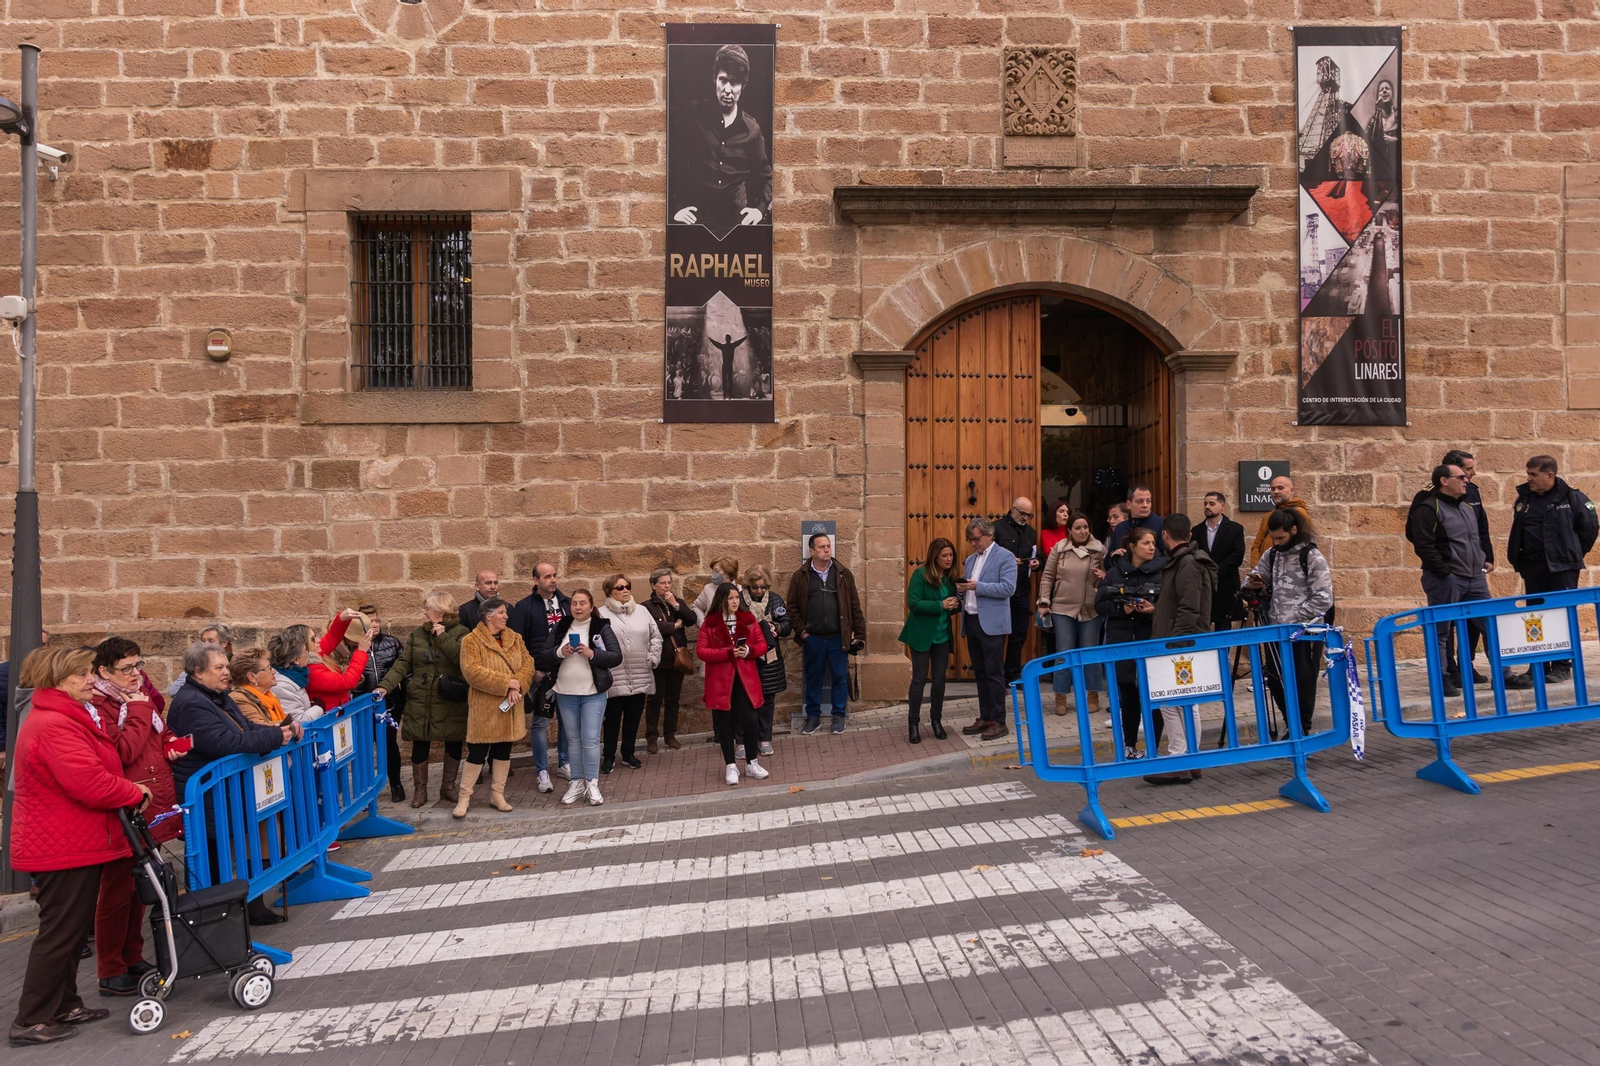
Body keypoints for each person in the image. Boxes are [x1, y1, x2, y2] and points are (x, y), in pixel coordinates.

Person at [7, 645, 150, 1048]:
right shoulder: (54, 723)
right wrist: (132, 791)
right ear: (59, 680)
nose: (91, 679)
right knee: (60, 934)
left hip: (73, 841)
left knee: (69, 933)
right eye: (83, 674)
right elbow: (88, 781)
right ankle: (31, 1019)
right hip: (61, 846)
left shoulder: (64, 717)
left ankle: (64, 1004)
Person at [166, 642, 294, 926]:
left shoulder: (216, 695)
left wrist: (279, 730)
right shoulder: (191, 702)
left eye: (226, 666)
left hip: (225, 793)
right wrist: (275, 738)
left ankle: (247, 909)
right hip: (207, 796)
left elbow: (245, 729)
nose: (226, 672)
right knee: (209, 858)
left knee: (238, 846)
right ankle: (212, 923)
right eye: (219, 668)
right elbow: (223, 743)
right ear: (198, 672)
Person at [86, 638, 178, 999]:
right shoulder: (102, 704)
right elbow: (122, 750)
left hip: (143, 803)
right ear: (104, 672)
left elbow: (152, 741)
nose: (136, 674)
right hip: (122, 807)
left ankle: (133, 956)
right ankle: (111, 969)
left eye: (138, 666)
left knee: (140, 887)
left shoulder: (133, 699)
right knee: (116, 892)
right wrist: (140, 711)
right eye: (127, 669)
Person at [1408, 463, 1528, 697]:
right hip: (1447, 579)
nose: (1466, 480)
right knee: (1440, 631)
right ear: (1444, 481)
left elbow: (1477, 537)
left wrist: (1483, 561)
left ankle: (1503, 675)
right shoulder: (1427, 508)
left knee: (1490, 625)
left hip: (1475, 579)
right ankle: (1441, 678)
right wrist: (1445, 572)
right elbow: (1423, 545)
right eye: (1461, 477)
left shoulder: (1465, 507)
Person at [1507, 454, 1599, 682]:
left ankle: (1561, 665)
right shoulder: (1525, 498)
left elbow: (1589, 528)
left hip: (1562, 567)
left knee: (1561, 615)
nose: (1529, 478)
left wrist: (1572, 553)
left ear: (1550, 475)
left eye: (1533, 474)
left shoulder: (1572, 497)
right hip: (1533, 566)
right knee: (1535, 616)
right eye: (1528, 474)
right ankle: (1538, 665)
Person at [1143, 514, 1218, 785]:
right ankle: (1191, 759)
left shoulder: (1186, 562)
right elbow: (1181, 606)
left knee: (1171, 701)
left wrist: (1172, 643)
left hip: (1180, 644)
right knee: (1185, 701)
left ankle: (1179, 758)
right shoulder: (1188, 560)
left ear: (1165, 535)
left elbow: (1189, 608)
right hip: (1183, 640)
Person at [376, 592, 470, 808]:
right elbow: (403, 663)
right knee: (420, 741)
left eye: (427, 608)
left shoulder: (462, 632)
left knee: (453, 740)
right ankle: (421, 790)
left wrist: (443, 637)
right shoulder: (418, 633)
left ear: (441, 609)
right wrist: (385, 686)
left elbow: (464, 660)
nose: (424, 612)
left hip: (449, 696)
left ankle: (448, 787)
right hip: (421, 698)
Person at [1247, 509, 1335, 736]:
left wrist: (1293, 617)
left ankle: (1302, 729)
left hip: (1305, 632)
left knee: (1303, 683)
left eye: (1281, 538)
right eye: (1273, 538)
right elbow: (1254, 578)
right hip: (1276, 631)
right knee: (1276, 680)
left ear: (1294, 531)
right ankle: (1291, 723)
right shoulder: (1272, 554)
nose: (1276, 543)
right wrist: (1253, 584)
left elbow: (1324, 599)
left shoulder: (1312, 557)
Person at [668, 43, 772, 233]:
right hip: (696, 225)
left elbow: (767, 178)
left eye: (734, 82)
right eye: (723, 80)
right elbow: (672, 165)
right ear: (714, 79)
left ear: (744, 86)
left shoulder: (752, 130)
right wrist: (675, 209)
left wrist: (759, 211)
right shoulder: (693, 116)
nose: (728, 89)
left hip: (737, 228)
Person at [538, 589, 622, 807]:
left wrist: (592, 653)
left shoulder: (601, 626)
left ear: (591, 605)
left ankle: (592, 782)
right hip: (565, 691)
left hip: (593, 692)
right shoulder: (562, 625)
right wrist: (560, 652)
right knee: (573, 740)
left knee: (591, 738)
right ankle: (575, 781)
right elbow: (544, 654)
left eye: (582, 603)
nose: (577, 607)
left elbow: (615, 656)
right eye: (574, 603)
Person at [456, 597, 535, 819]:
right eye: (501, 612)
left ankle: (497, 794)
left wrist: (516, 685)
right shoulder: (471, 640)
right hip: (485, 708)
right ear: (488, 615)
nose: (506, 616)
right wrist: (506, 683)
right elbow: (472, 672)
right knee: (477, 752)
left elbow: (528, 664)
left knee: (503, 750)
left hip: (511, 705)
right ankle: (465, 796)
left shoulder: (515, 638)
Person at [785, 534, 866, 735]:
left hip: (838, 637)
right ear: (811, 551)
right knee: (813, 678)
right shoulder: (801, 576)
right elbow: (792, 607)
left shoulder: (843, 574)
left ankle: (839, 716)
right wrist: (802, 632)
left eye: (828, 546)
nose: (826, 550)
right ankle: (813, 717)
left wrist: (859, 634)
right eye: (821, 547)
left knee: (839, 677)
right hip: (813, 637)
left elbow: (854, 606)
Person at [1096, 527, 1166, 756]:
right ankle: (1129, 745)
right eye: (1146, 543)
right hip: (1123, 638)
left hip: (1151, 639)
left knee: (1153, 693)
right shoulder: (1115, 573)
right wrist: (1121, 608)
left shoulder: (1161, 572)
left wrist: (1153, 610)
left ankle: (1153, 747)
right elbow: (1099, 605)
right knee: (1128, 693)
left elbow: (1170, 607)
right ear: (1132, 547)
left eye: (1153, 543)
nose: (1151, 547)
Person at [697, 583, 771, 786]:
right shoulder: (710, 624)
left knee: (751, 719)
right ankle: (730, 765)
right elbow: (702, 651)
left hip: (745, 679)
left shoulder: (748, 620)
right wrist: (727, 653)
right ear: (721, 600)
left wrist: (748, 651)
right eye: (730, 598)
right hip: (721, 681)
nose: (735, 602)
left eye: (737, 598)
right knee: (725, 723)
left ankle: (751, 762)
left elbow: (762, 644)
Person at [1037, 516, 1106, 717]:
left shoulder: (1099, 549)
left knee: (1090, 653)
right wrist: (1044, 602)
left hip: (1090, 608)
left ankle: (1092, 694)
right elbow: (1048, 576)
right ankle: (1060, 696)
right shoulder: (1059, 549)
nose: (1083, 531)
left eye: (1085, 527)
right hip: (1062, 607)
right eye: (1078, 528)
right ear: (1070, 530)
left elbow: (1108, 573)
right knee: (1063, 653)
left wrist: (1104, 575)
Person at [510, 562, 573, 784]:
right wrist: (532, 671)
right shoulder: (524, 607)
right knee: (540, 722)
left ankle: (564, 762)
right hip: (540, 674)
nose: (553, 580)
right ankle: (542, 771)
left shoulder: (566, 603)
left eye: (555, 575)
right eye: (547, 576)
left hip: (566, 671)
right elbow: (517, 644)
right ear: (536, 580)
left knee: (567, 720)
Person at [958, 516, 1017, 742]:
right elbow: (967, 589)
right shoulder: (970, 560)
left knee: (994, 673)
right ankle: (985, 716)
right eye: (970, 540)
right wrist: (961, 590)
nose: (973, 543)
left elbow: (1008, 588)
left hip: (992, 624)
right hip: (972, 620)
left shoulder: (1005, 557)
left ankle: (999, 721)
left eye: (976, 539)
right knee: (980, 672)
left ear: (989, 535)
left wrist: (976, 586)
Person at [598, 575, 662, 774]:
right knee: (613, 718)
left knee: (634, 717)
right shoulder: (600, 614)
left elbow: (656, 636)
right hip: (615, 676)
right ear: (610, 591)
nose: (625, 590)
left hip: (640, 672)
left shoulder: (642, 611)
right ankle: (608, 756)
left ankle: (628, 754)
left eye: (628, 586)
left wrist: (653, 657)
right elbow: (596, 641)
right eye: (620, 587)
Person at [1441, 448, 1496, 679]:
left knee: (1480, 619)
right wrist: (1442, 566)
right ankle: (1450, 670)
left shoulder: (1471, 492)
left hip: (1474, 569)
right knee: (1447, 623)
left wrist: (1488, 556)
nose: (1471, 475)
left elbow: (1481, 526)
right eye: (1467, 470)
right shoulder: (1430, 497)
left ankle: (1467, 664)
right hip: (1450, 571)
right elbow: (1420, 537)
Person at [342, 607, 405, 802]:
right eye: (370, 621)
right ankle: (366, 789)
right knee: (364, 746)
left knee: (388, 743)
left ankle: (395, 783)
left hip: (390, 704)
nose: (375, 624)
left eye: (377, 620)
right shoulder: (350, 646)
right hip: (361, 706)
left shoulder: (391, 643)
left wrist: (405, 698)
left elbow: (403, 668)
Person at [899, 538, 959, 743]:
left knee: (940, 680)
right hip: (922, 635)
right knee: (919, 680)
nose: (949, 559)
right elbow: (914, 604)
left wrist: (955, 603)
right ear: (935, 557)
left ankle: (936, 721)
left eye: (951, 555)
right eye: (944, 556)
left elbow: (953, 605)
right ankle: (913, 724)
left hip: (942, 636)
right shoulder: (920, 575)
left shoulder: (950, 578)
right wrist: (940, 605)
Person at [643, 569, 697, 754]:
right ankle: (651, 737)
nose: (667, 586)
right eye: (662, 583)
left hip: (677, 660)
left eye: (669, 583)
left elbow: (691, 619)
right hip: (659, 660)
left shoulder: (677, 602)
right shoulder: (646, 607)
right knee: (654, 700)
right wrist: (673, 626)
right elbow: (650, 628)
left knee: (673, 699)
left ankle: (670, 735)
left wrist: (676, 606)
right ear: (653, 585)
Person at [740, 566, 791, 759]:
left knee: (767, 700)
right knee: (744, 699)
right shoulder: (739, 599)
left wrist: (776, 626)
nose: (759, 591)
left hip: (770, 658)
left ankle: (765, 738)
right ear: (748, 586)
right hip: (747, 655)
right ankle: (743, 740)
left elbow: (787, 623)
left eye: (763, 587)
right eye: (755, 588)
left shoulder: (776, 599)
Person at [992, 497, 1041, 683]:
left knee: (1018, 634)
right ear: (1012, 509)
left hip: (1021, 590)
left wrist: (1036, 563)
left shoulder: (1030, 532)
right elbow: (988, 555)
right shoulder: (996, 528)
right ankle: (996, 676)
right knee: (998, 635)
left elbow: (1038, 556)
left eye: (1029, 515)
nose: (1026, 518)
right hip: (1001, 591)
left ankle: (1011, 674)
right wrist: (1006, 561)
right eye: (1023, 513)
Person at [0, 625, 49, 776]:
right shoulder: (4, 674)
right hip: (12, 749)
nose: (36, 650)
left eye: (42, 645)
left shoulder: (50, 672)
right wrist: (2, 748)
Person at [1195, 492, 1246, 631]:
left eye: (1212, 503)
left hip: (1226, 586)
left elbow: (1237, 555)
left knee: (1223, 628)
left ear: (1222, 506)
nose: (1207, 507)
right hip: (1204, 586)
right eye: (1205, 503)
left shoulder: (1235, 529)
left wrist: (1215, 571)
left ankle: (1223, 654)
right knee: (1201, 626)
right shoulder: (1196, 530)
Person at [1250, 475, 1311, 567]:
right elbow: (1257, 545)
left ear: (1291, 490)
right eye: (1273, 489)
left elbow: (1304, 544)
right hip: (1266, 571)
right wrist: (1257, 569)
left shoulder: (1300, 513)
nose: (1276, 492)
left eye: (1280, 488)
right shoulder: (1268, 516)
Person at [166, 624, 231, 698]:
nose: (206, 644)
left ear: (224, 643)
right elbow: (173, 691)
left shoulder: (235, 662)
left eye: (211, 641)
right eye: (203, 641)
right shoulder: (197, 664)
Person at [229, 648, 288, 729]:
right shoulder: (239, 699)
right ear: (252, 677)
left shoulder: (269, 696)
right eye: (268, 669)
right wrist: (292, 726)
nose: (273, 671)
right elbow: (260, 727)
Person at [1107, 486, 1165, 558]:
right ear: (1129, 504)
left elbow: (1167, 557)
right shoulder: (1120, 528)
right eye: (1140, 501)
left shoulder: (1162, 524)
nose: (1145, 505)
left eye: (1148, 501)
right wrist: (1114, 556)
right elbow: (1108, 561)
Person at [693, 556, 742, 625]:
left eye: (717, 571)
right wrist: (703, 625)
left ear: (728, 572)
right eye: (713, 571)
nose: (713, 574)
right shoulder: (708, 589)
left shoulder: (740, 590)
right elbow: (697, 607)